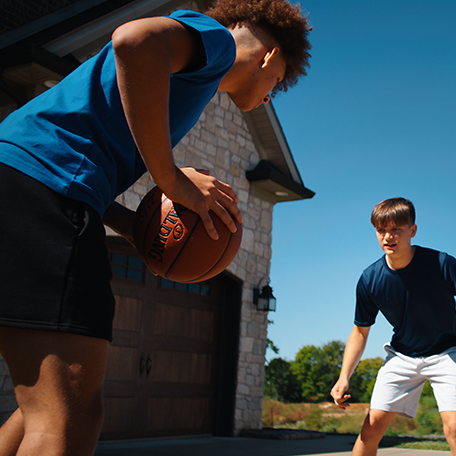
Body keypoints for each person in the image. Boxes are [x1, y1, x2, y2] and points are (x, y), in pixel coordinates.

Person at [0, 0, 312, 454]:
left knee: (44, 407)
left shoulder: (192, 75)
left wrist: (132, 225)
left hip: (26, 185)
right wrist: (170, 179)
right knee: (69, 418)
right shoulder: (219, 43)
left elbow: (78, 165)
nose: (269, 96)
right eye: (277, 84)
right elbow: (133, 39)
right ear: (270, 56)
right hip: (43, 192)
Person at [331, 197, 456, 456]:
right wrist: (344, 377)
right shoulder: (370, 279)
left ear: (412, 230)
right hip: (403, 355)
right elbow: (360, 331)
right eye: (381, 230)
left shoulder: (441, 264)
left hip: (448, 352)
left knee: (454, 427)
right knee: (371, 427)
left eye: (396, 229)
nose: (388, 236)